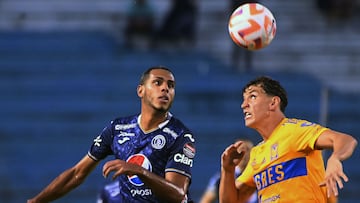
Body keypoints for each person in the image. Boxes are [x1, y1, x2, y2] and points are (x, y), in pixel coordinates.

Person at [27, 66, 196, 203]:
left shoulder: (180, 135)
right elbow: (77, 174)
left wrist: (139, 171)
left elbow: (178, 195)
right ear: (140, 91)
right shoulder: (118, 128)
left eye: (171, 86)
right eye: (157, 83)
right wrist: (37, 201)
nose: (165, 88)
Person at [219, 76, 357, 203]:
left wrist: (335, 158)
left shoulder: (295, 131)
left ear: (273, 103)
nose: (244, 105)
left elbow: (345, 140)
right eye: (244, 99)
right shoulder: (257, 153)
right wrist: (228, 170)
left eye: (252, 97)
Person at [199, 139, 257, 203]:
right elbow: (206, 200)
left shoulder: (260, 174)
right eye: (242, 149)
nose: (245, 153)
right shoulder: (220, 178)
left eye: (248, 150)